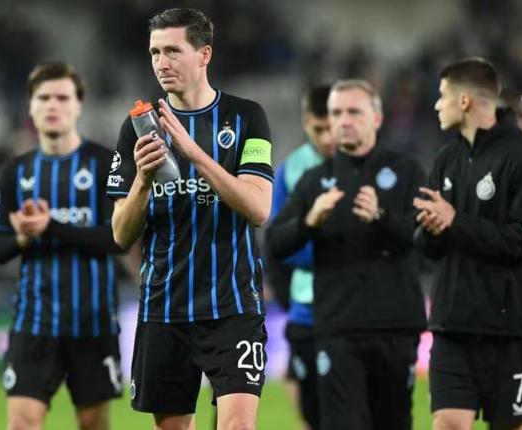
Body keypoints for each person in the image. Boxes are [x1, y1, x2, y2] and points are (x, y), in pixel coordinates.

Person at [106, 8, 273, 430]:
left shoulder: (246, 117)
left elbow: (258, 208)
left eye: (172, 51)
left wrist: (195, 154)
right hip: (164, 309)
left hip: (232, 307)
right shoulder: (136, 128)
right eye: (154, 52)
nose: (161, 63)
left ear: (204, 54)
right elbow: (120, 234)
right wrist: (143, 180)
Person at [267, 79, 427, 429]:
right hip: (336, 328)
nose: (343, 121)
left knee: (393, 424)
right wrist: (309, 222)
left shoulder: (407, 172)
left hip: (395, 326)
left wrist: (382, 218)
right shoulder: (313, 180)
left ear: (377, 118)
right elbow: (275, 242)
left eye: (354, 112)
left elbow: (428, 243)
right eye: (337, 113)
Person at [0, 62, 125, 430]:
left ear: (79, 105)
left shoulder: (106, 164)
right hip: (34, 323)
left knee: (93, 425)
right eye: (43, 98)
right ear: (30, 106)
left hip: (93, 322)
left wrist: (51, 226)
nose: (52, 105)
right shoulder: (16, 171)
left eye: (62, 98)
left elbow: (118, 239)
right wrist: (24, 236)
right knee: (22, 424)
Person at [413, 57, 522, 430]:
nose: (437, 105)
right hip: (452, 324)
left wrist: (455, 222)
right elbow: (427, 248)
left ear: (464, 101)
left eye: (442, 95)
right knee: (448, 423)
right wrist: (430, 229)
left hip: (510, 329)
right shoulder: (446, 158)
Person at [267, 84, 335, 430]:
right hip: (307, 306)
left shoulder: (367, 163)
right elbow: (277, 240)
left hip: (358, 306)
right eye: (317, 128)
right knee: (312, 411)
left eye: (331, 127)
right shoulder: (291, 169)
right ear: (306, 122)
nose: (326, 138)